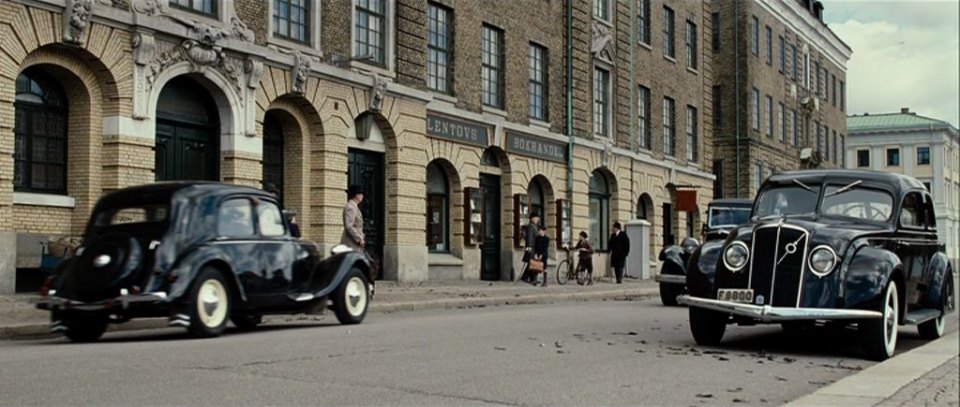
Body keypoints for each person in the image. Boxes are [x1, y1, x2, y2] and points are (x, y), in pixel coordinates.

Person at [340, 185, 365, 250]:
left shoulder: (354, 207)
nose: (362, 196)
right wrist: (359, 238)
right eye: (360, 194)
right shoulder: (350, 207)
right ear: (355, 195)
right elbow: (349, 226)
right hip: (351, 243)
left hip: (355, 243)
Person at [519, 212, 541, 283]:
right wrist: (529, 247)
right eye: (536, 218)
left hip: (535, 247)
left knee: (533, 263)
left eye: (538, 218)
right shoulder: (531, 226)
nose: (538, 219)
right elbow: (529, 238)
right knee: (532, 263)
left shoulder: (534, 226)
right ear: (532, 218)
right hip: (532, 248)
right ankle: (526, 278)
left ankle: (533, 279)